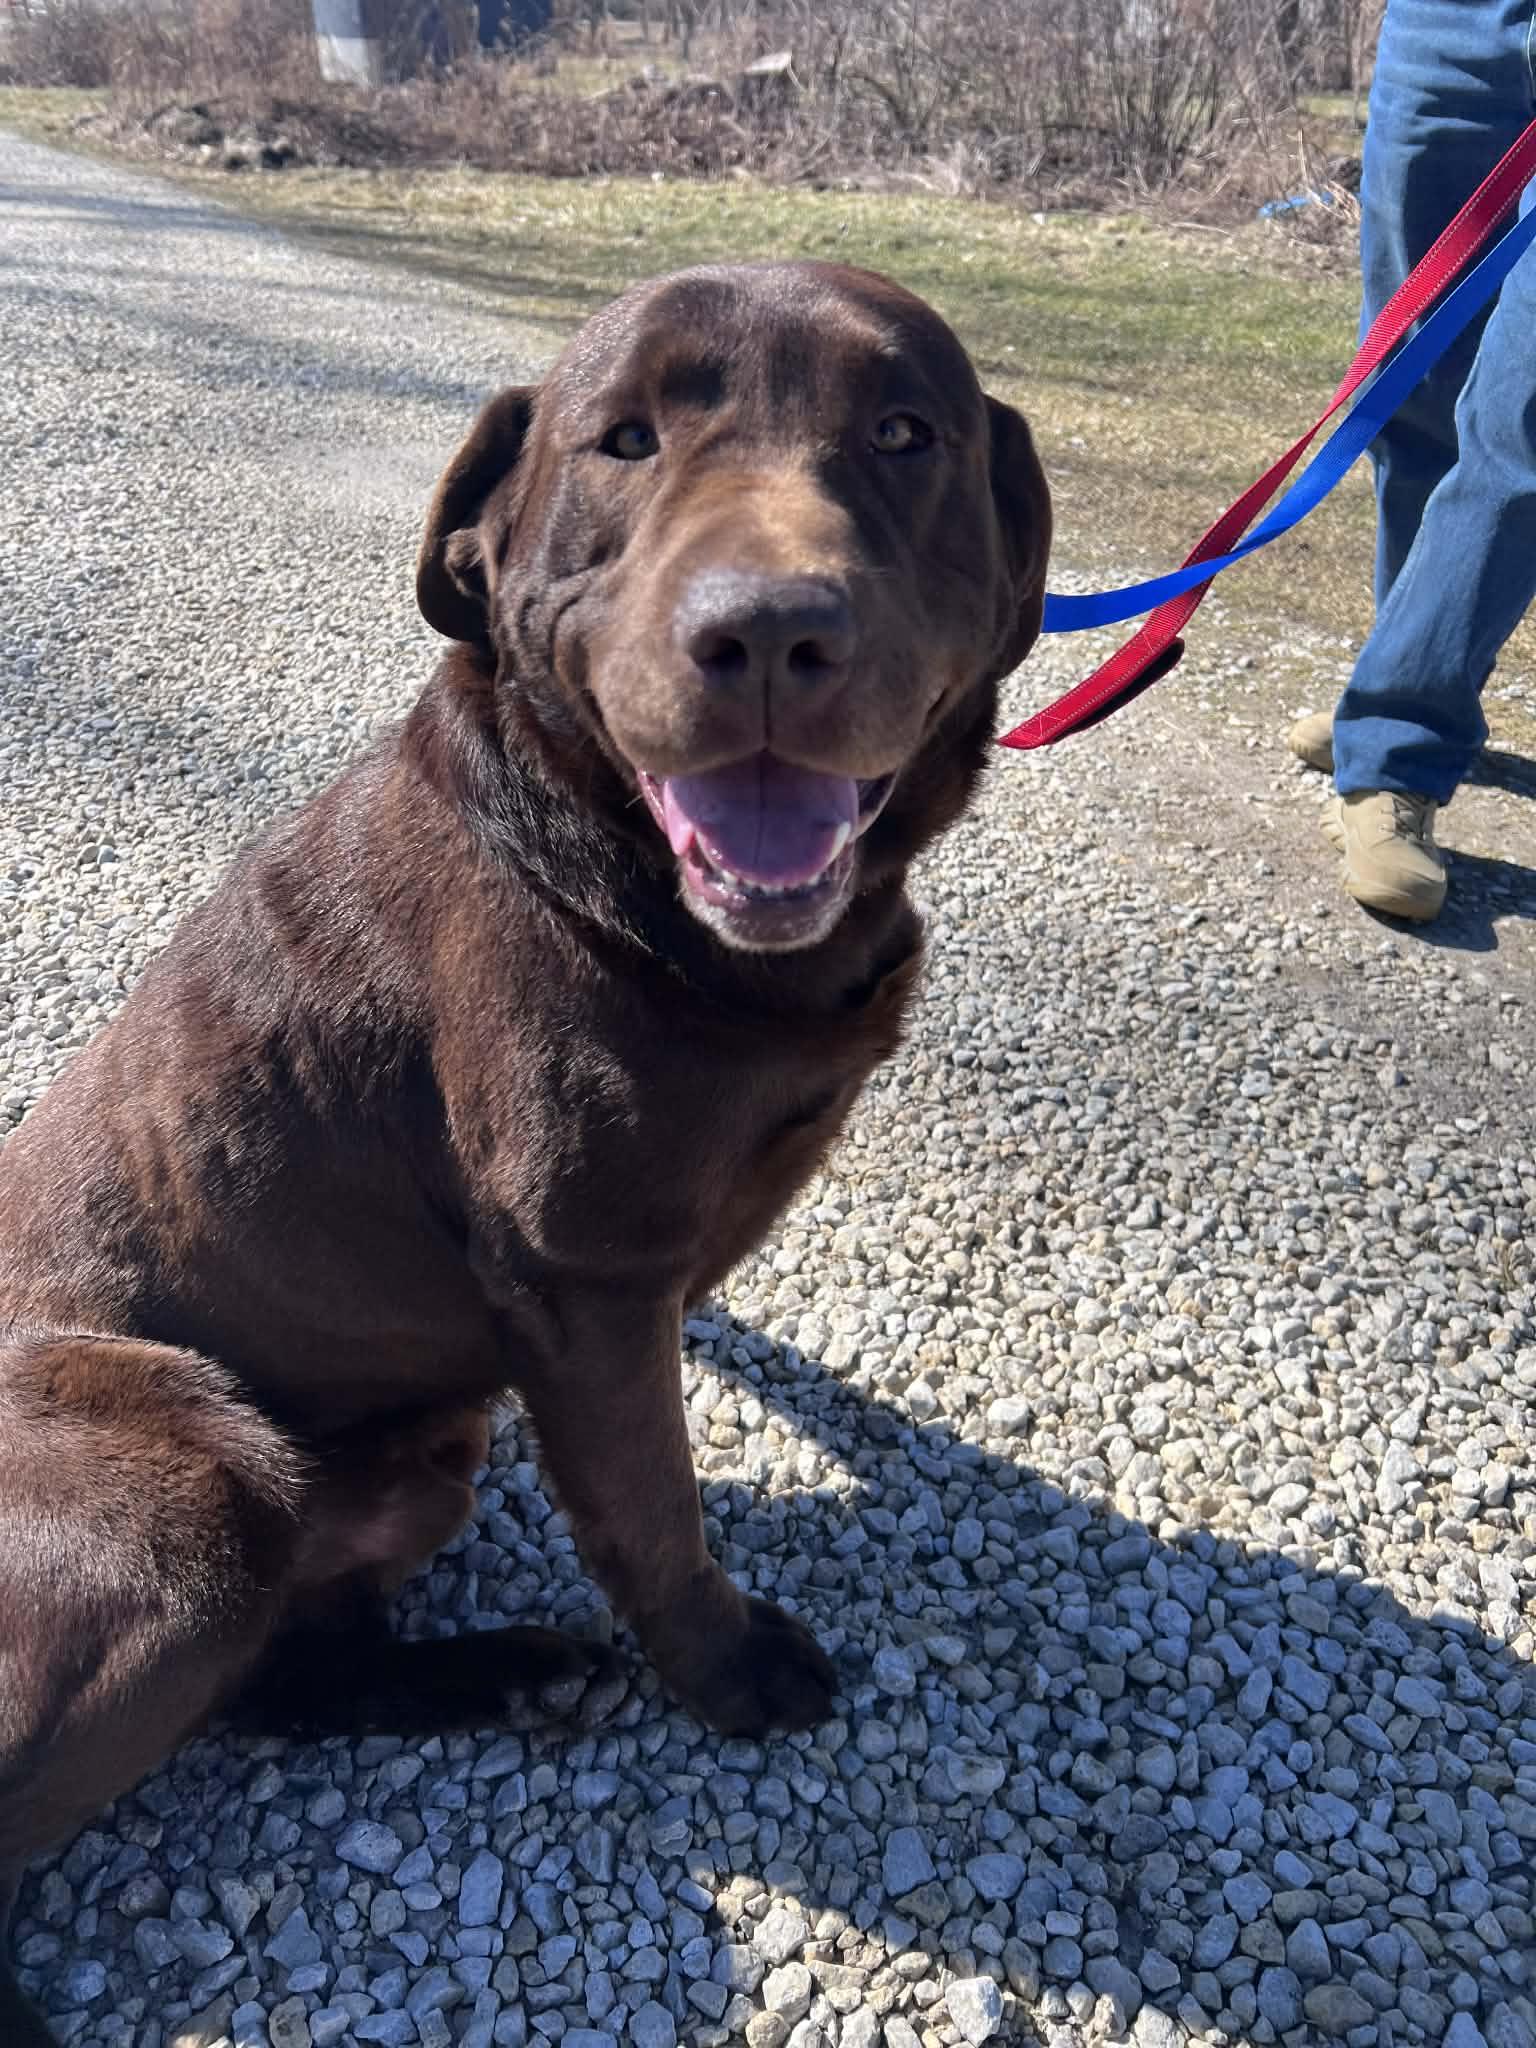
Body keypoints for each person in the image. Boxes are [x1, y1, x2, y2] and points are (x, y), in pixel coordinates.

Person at [1288, 0, 1536, 921]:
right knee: (1412, 387)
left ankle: (1398, 744)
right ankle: (1396, 681)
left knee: (1523, 422)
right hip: (1451, 25)